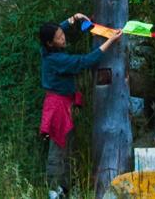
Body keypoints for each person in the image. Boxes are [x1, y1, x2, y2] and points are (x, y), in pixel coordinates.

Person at [38, 12, 119, 197]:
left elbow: (59, 28)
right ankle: (54, 190)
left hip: (62, 103)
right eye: (59, 37)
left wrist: (73, 19)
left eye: (62, 33)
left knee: (67, 146)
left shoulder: (46, 50)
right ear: (50, 43)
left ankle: (64, 188)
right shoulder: (57, 60)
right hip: (58, 107)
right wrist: (111, 41)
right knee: (58, 148)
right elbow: (85, 61)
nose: (63, 37)